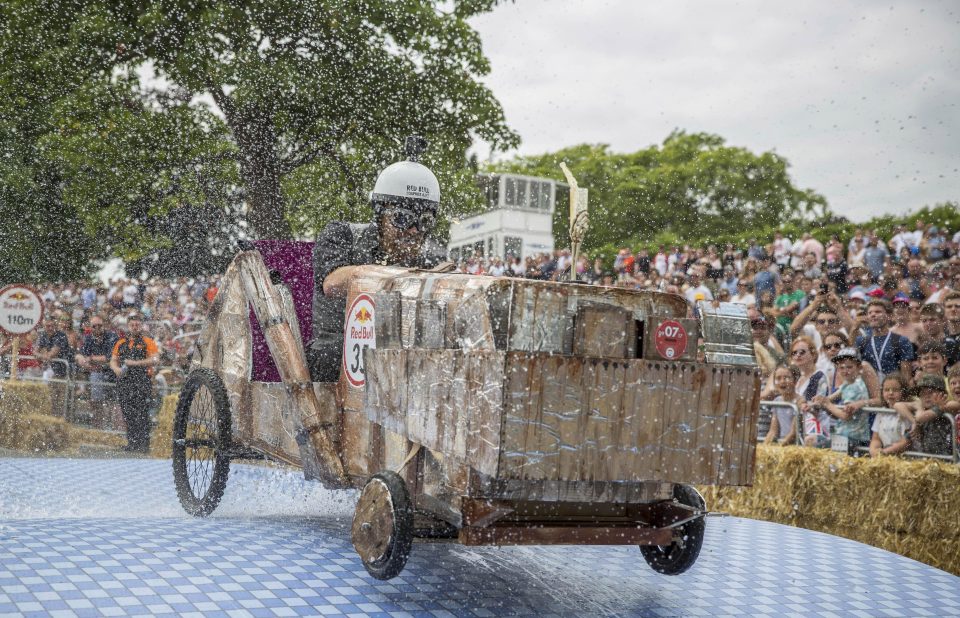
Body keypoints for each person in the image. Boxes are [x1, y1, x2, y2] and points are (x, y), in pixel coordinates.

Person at [307, 136, 444, 381]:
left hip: (398, 359)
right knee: (341, 354)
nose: (413, 231)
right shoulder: (341, 235)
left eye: (424, 222)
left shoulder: (430, 259)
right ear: (380, 216)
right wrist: (398, 275)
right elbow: (332, 284)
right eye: (402, 219)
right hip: (336, 355)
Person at [110, 313, 159, 452]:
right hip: (125, 382)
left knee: (142, 413)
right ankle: (132, 443)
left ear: (141, 326)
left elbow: (155, 359)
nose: (135, 327)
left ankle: (144, 445)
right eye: (132, 325)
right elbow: (113, 360)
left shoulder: (148, 341)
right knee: (128, 413)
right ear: (128, 326)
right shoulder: (121, 342)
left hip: (142, 381)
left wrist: (135, 363)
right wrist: (116, 369)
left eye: (137, 324)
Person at [814, 347, 871, 448]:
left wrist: (827, 404)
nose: (845, 371)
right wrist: (819, 400)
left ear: (859, 368)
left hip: (853, 437)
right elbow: (829, 398)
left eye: (849, 367)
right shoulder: (848, 383)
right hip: (846, 435)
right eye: (841, 367)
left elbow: (845, 416)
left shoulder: (854, 387)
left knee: (818, 448)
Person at [856, 299, 914, 385]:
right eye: (870, 313)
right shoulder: (861, 341)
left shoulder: (901, 340)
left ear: (889, 316)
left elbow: (906, 376)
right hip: (871, 390)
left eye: (878, 312)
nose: (873, 315)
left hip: (894, 390)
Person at [895, 373, 954, 457]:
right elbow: (897, 405)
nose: (927, 396)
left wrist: (919, 409)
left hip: (946, 459)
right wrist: (914, 422)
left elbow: (920, 417)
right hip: (926, 459)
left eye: (930, 392)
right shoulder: (922, 407)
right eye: (922, 393)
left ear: (942, 394)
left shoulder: (945, 406)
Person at [75, 316, 119, 430]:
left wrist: (90, 359)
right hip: (96, 373)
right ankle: (97, 429)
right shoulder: (89, 338)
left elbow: (109, 357)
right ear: (91, 327)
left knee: (112, 404)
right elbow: (83, 355)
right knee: (96, 402)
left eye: (100, 325)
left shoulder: (112, 336)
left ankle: (112, 430)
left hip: (112, 374)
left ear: (104, 326)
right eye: (95, 326)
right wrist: (82, 358)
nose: (98, 328)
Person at [868, 376, 911, 457]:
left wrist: (885, 452)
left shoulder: (906, 413)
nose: (891, 393)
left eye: (895, 390)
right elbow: (876, 438)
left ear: (903, 392)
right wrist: (874, 450)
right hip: (886, 457)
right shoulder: (881, 413)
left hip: (905, 458)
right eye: (887, 390)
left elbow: (906, 442)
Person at [764, 364, 800, 445]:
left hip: (795, 445)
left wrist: (779, 448)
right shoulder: (777, 401)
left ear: (795, 381)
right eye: (778, 378)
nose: (782, 381)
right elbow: (773, 431)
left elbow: (793, 433)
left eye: (786, 378)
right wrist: (764, 447)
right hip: (783, 442)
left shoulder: (799, 401)